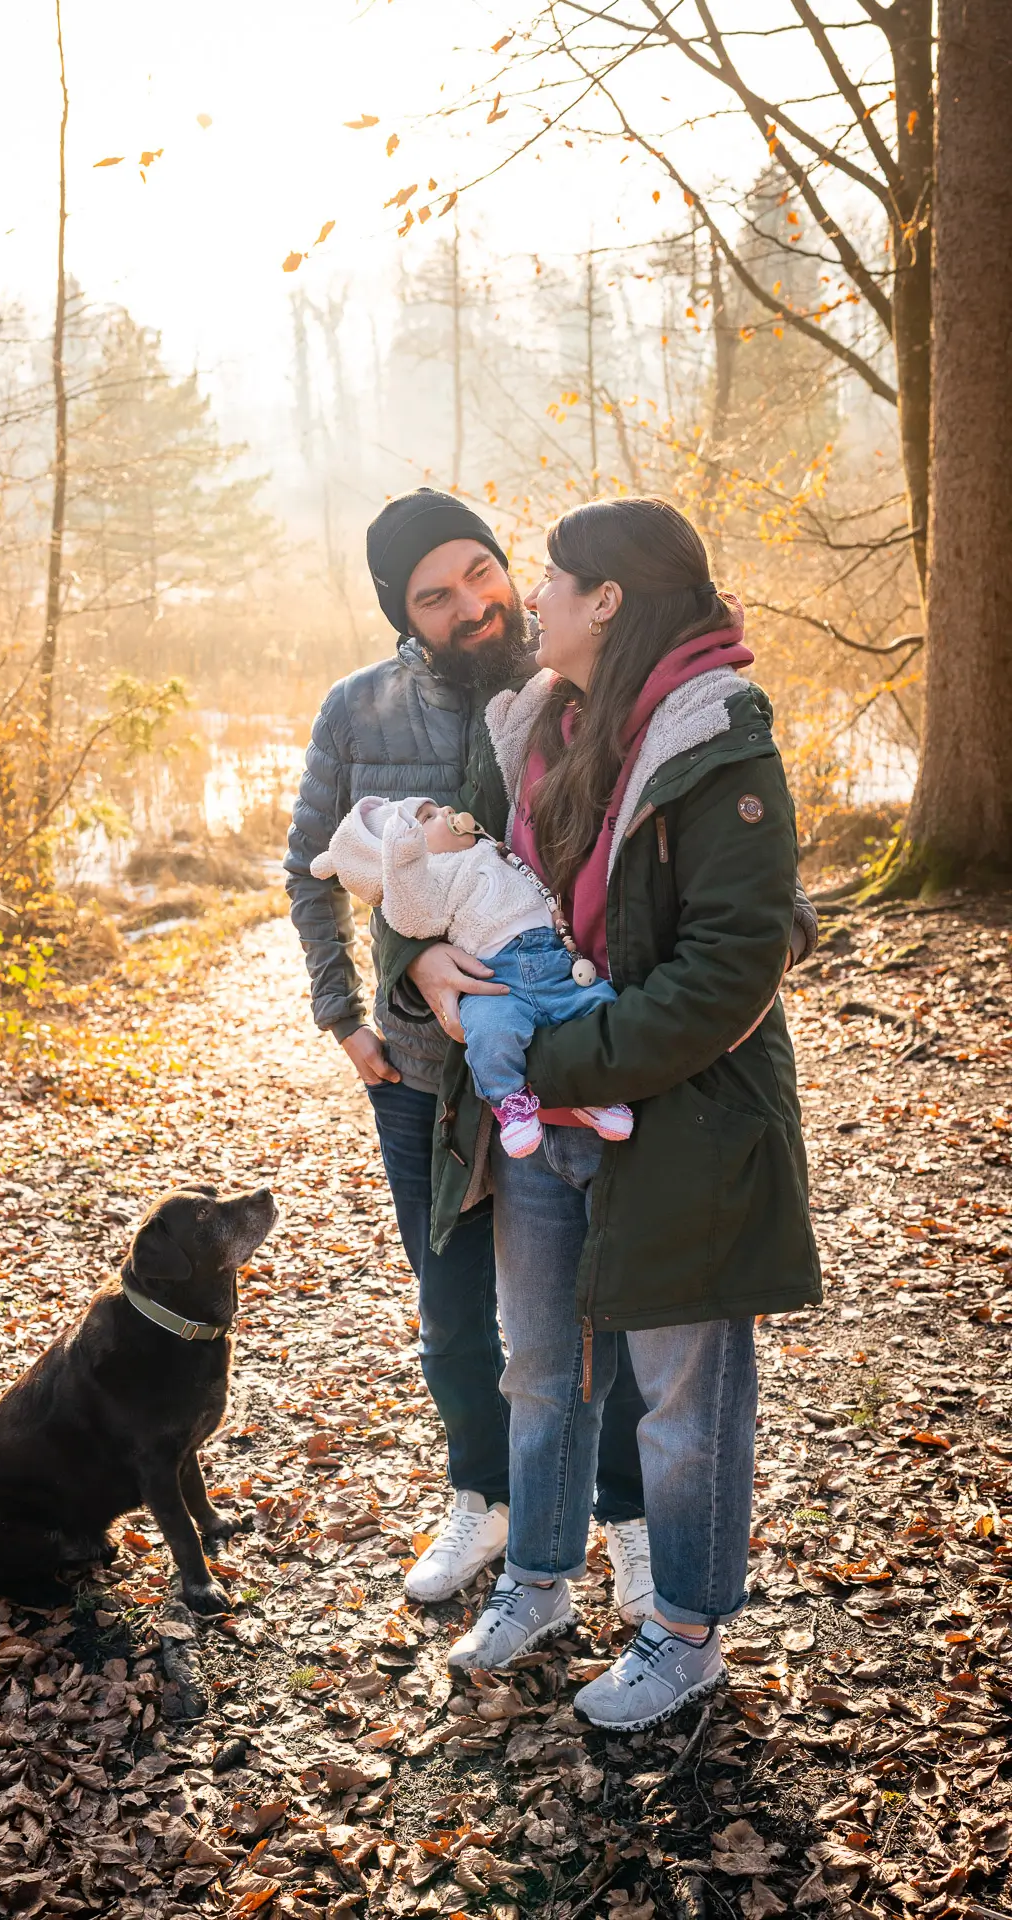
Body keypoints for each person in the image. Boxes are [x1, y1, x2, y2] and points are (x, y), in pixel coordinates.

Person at [429, 497, 822, 1733]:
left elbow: (727, 969)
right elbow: (454, 877)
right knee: (542, 1370)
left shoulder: (718, 739)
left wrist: (553, 1059)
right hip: (543, 1119)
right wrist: (422, 967)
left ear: (605, 600)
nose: (529, 597)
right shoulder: (533, 727)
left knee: (683, 1400)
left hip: (678, 1118)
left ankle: (686, 1634)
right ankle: (539, 1580)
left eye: (551, 577)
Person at [284, 487, 662, 1617]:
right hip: (417, 1073)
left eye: (480, 573)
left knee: (598, 1299)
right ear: (402, 615)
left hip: (569, 1055)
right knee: (452, 1309)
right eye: (433, 596)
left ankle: (629, 1516)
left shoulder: (575, 684)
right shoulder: (357, 712)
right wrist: (346, 1015)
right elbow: (309, 867)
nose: (470, 606)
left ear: (507, 567)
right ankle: (483, 1500)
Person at [307, 786, 633, 1158]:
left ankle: (595, 1094)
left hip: (550, 961)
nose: (446, 810)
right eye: (427, 819)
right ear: (407, 853)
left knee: (598, 1004)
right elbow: (411, 917)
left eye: (436, 809)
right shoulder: (428, 882)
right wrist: (405, 866)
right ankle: (510, 1103)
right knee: (488, 1031)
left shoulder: (488, 846)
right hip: (494, 977)